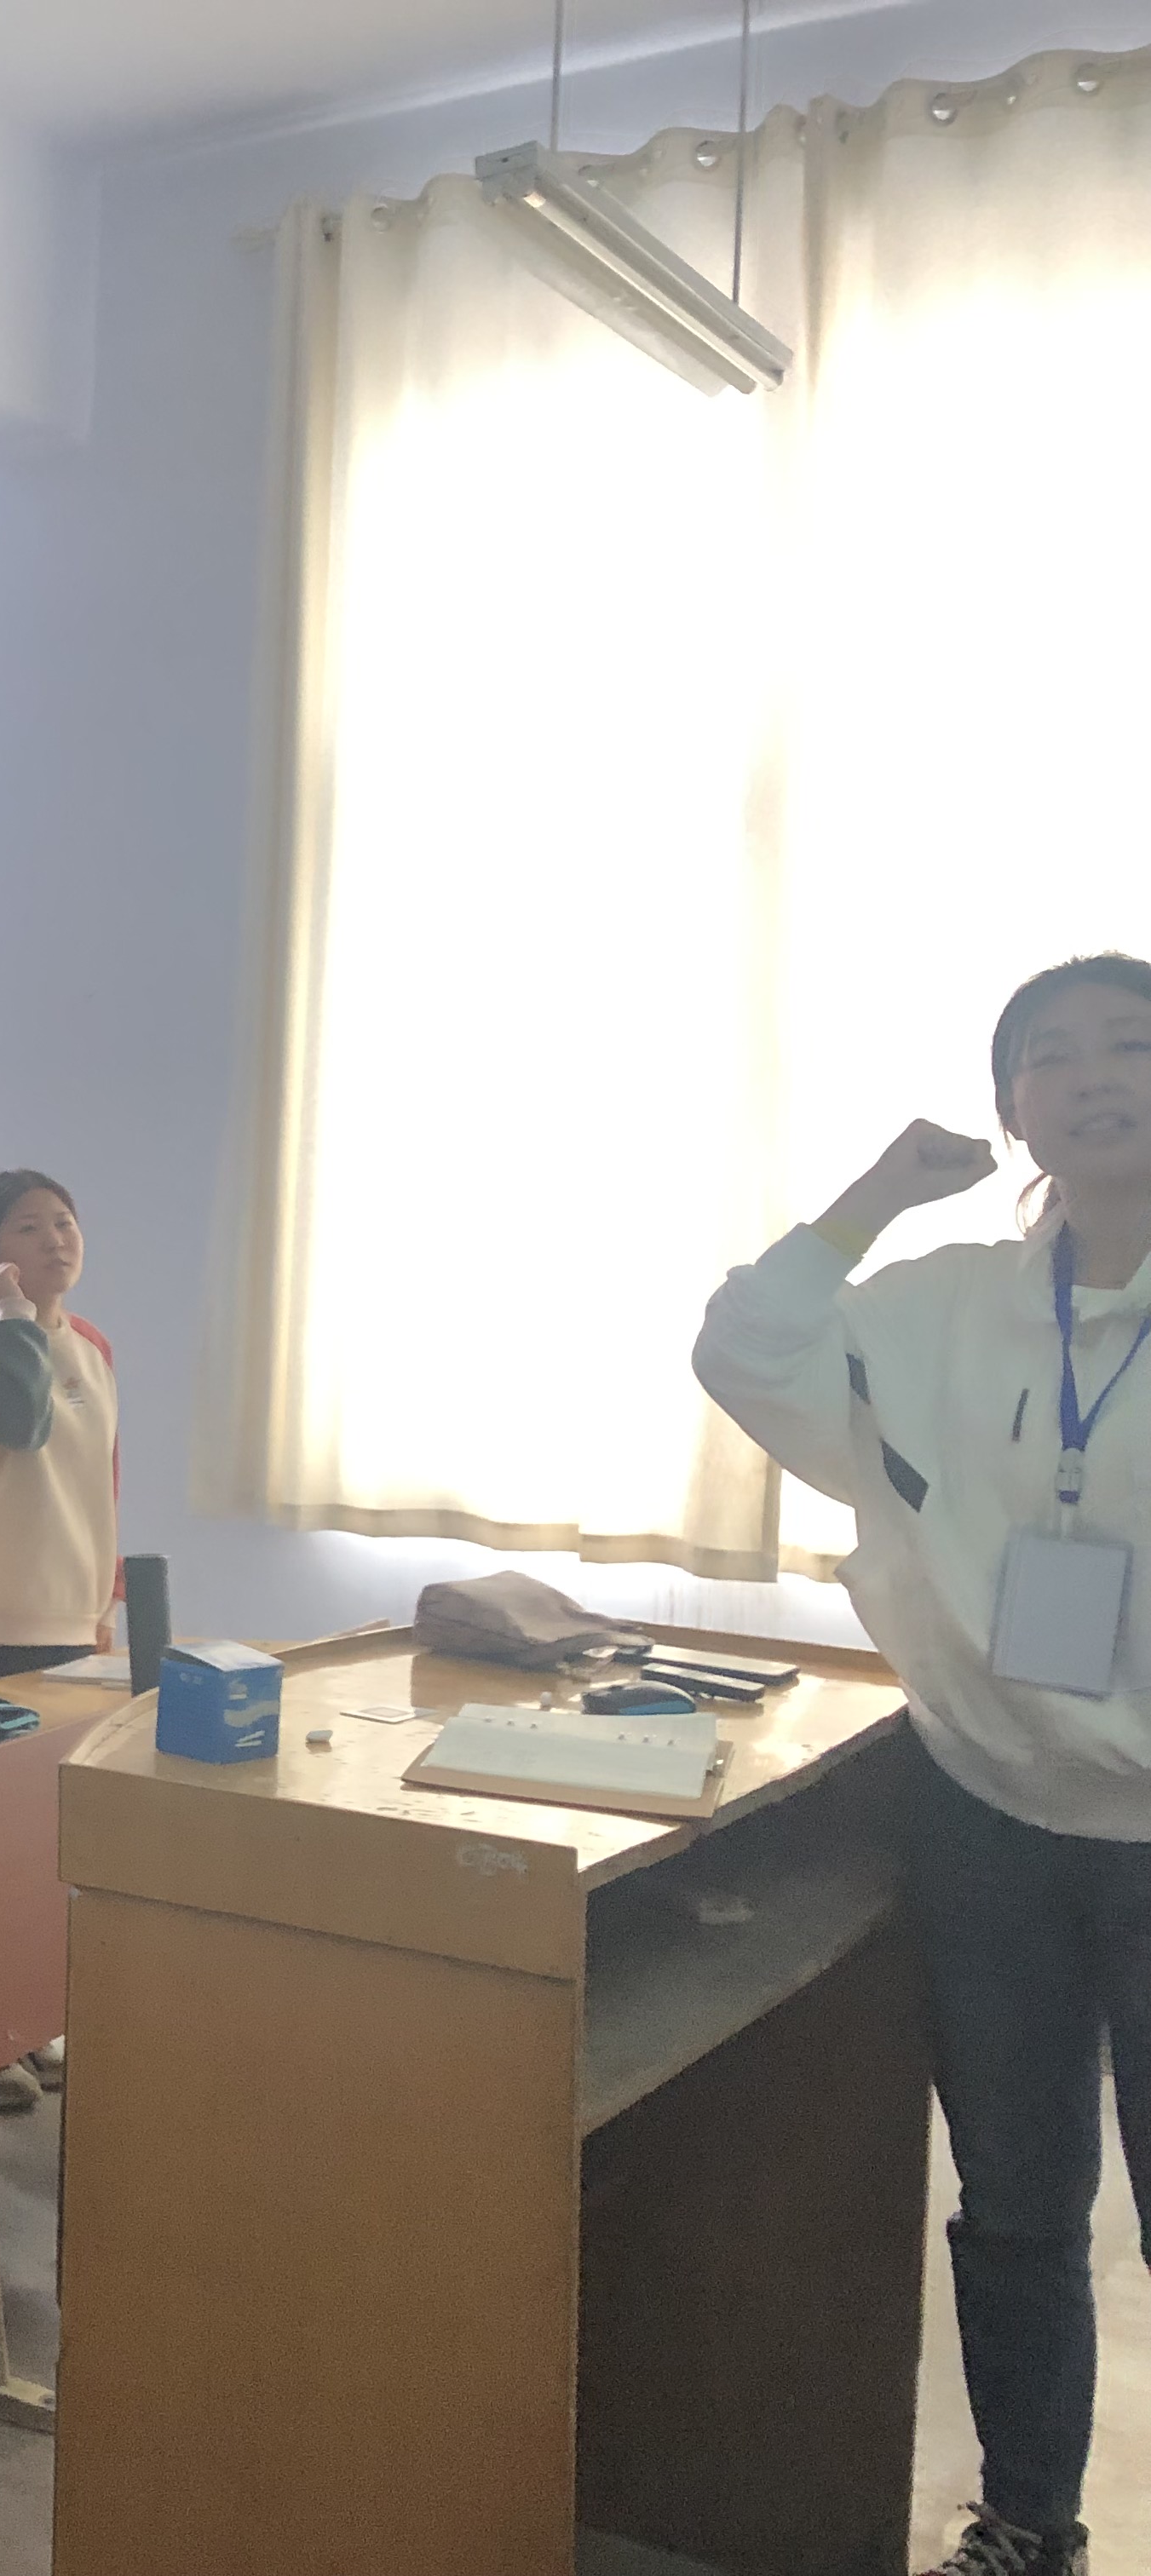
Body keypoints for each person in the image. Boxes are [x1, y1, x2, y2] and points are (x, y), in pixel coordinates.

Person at [695, 952, 1151, 2576]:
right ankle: (1026, 2518)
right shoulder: (944, 1306)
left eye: (1130, 1041)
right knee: (1015, 2199)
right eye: (1049, 1054)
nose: (1093, 1072)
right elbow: (746, 1348)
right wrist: (874, 1193)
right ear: (1010, 1107)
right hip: (987, 1816)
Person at [0, 1170, 117, 1681]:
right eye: (29, 1228)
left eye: (64, 1223)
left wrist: (108, 1602)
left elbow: (101, 1479)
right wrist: (12, 1311)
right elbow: (20, 1426)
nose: (54, 1240)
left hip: (78, 1619)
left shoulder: (92, 1345)